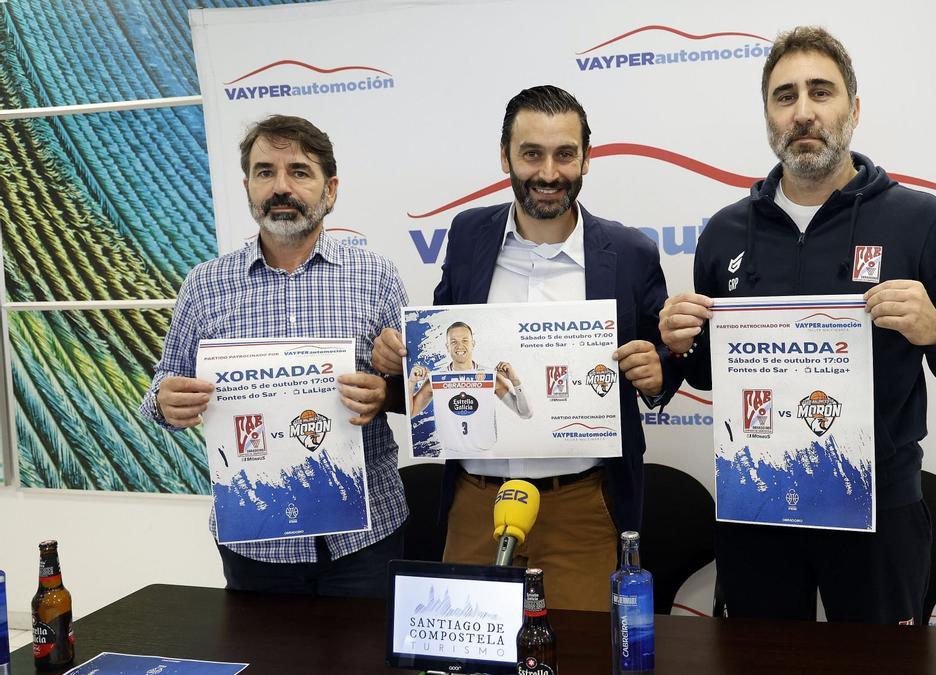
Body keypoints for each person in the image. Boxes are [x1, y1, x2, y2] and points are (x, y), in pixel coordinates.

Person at [659, 27, 936, 624]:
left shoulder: (920, 221)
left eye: (820, 92)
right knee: (759, 663)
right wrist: (682, 345)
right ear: (768, 115)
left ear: (854, 108)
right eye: (785, 96)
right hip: (758, 501)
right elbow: (713, 375)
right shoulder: (724, 232)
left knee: (880, 665)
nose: (803, 112)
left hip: (878, 507)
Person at [373, 85, 679, 611]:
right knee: (469, 647)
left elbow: (663, 359)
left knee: (582, 648)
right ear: (505, 157)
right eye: (532, 153)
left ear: (586, 158)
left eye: (565, 154)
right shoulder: (468, 235)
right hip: (477, 501)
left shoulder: (630, 252)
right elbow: (442, 350)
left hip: (582, 505)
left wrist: (658, 373)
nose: (548, 173)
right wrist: (399, 363)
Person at [140, 114, 409, 598]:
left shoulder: (376, 277)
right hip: (256, 540)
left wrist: (386, 391)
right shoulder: (205, 285)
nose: (281, 186)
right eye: (265, 172)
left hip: (365, 539)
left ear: (330, 190)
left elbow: (418, 392)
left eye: (299, 172)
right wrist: (165, 401)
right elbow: (160, 389)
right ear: (247, 186)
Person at [407, 321, 533, 454]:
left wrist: (515, 380)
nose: (459, 346)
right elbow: (411, 412)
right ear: (447, 347)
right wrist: (411, 383)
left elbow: (526, 414)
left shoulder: (490, 376)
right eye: (453, 341)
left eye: (465, 340)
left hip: (485, 454)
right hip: (451, 454)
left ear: (473, 344)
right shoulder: (436, 379)